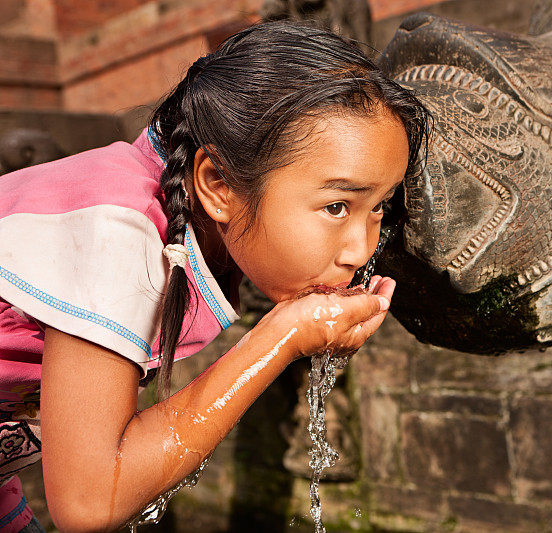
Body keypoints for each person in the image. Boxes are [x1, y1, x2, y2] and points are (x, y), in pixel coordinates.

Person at [0, 21, 428, 532]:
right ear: (219, 185)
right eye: (337, 206)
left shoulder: (176, 224)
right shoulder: (116, 229)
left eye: (378, 206)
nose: (360, 249)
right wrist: (284, 335)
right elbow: (91, 500)